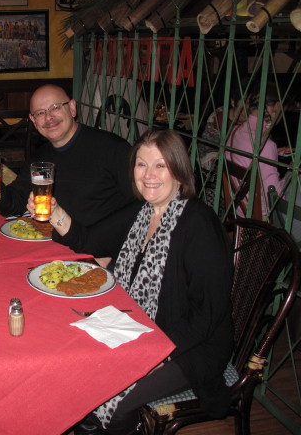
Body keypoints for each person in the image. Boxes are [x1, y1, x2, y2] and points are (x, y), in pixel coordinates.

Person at [40, 130, 233, 435]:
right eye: (141, 165)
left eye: (160, 165)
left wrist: (157, 353)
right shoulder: (142, 212)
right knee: (73, 364)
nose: (149, 175)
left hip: (189, 348)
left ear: (179, 171)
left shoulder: (199, 224)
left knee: (113, 404)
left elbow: (207, 314)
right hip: (138, 326)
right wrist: (55, 212)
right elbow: (90, 240)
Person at [0, 84, 138, 249]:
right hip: (59, 245)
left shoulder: (112, 149)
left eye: (55, 107)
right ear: (33, 121)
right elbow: (14, 205)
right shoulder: (40, 157)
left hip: (102, 250)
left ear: (72, 108)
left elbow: (139, 207)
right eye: (40, 113)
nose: (49, 117)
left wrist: (106, 250)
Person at [228, 84, 286, 217]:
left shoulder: (234, 131)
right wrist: (289, 177)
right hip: (260, 218)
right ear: (277, 106)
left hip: (237, 210)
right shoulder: (266, 145)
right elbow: (275, 198)